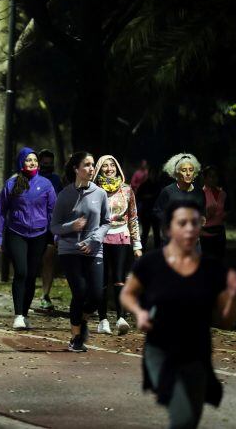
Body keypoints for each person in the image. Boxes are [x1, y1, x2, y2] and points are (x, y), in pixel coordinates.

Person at [120, 200, 236, 429]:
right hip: (161, 351)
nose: (189, 228)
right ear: (169, 229)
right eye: (182, 223)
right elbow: (128, 294)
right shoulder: (152, 263)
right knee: (182, 416)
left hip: (197, 352)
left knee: (191, 419)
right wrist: (139, 313)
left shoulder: (212, 269)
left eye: (195, 223)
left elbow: (225, 322)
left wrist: (233, 296)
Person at [49, 151, 111, 352]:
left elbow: (106, 222)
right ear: (76, 169)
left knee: (96, 296)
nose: (92, 169)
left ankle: (82, 319)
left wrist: (95, 240)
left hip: (94, 249)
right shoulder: (65, 195)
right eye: (87, 165)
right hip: (69, 250)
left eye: (93, 165)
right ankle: (76, 337)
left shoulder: (100, 194)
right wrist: (71, 226)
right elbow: (54, 226)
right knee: (80, 291)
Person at [0, 147, 56, 330]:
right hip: (16, 233)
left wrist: (56, 234)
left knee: (30, 275)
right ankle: (18, 314)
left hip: (39, 235)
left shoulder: (46, 185)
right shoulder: (12, 184)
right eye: (28, 160)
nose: (33, 163)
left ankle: (25, 313)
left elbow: (53, 211)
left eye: (34, 160)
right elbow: (1, 212)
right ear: (21, 162)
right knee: (20, 271)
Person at [92, 155, 142, 336]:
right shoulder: (93, 190)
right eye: (104, 166)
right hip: (99, 238)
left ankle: (121, 318)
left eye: (112, 165)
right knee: (102, 280)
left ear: (117, 167)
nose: (109, 168)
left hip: (122, 236)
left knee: (120, 278)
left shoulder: (127, 190)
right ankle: (103, 319)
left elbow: (133, 217)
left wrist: (137, 244)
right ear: (99, 169)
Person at [154, 153, 206, 245]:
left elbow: (202, 212)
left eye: (191, 170)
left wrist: (202, 218)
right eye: (184, 170)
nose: (188, 173)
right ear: (177, 173)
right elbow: (157, 211)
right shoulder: (168, 191)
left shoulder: (199, 192)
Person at [37, 149, 62, 309]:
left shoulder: (56, 180)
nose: (47, 167)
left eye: (50, 164)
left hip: (50, 227)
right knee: (32, 262)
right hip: (33, 227)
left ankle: (45, 295)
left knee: (49, 259)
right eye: (44, 164)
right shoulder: (31, 179)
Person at [201, 166, 227, 261]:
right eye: (210, 176)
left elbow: (224, 211)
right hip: (206, 233)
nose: (213, 179)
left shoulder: (222, 194)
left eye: (215, 176)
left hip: (220, 232)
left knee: (219, 262)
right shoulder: (200, 194)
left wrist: (225, 215)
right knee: (208, 263)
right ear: (205, 178)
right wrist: (207, 216)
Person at [137, 165, 164, 251]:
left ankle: (157, 252)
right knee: (145, 233)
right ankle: (142, 251)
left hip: (156, 213)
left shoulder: (159, 186)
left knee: (156, 234)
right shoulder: (144, 185)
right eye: (153, 173)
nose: (154, 175)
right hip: (146, 213)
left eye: (156, 174)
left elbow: (162, 199)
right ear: (149, 174)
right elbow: (137, 197)